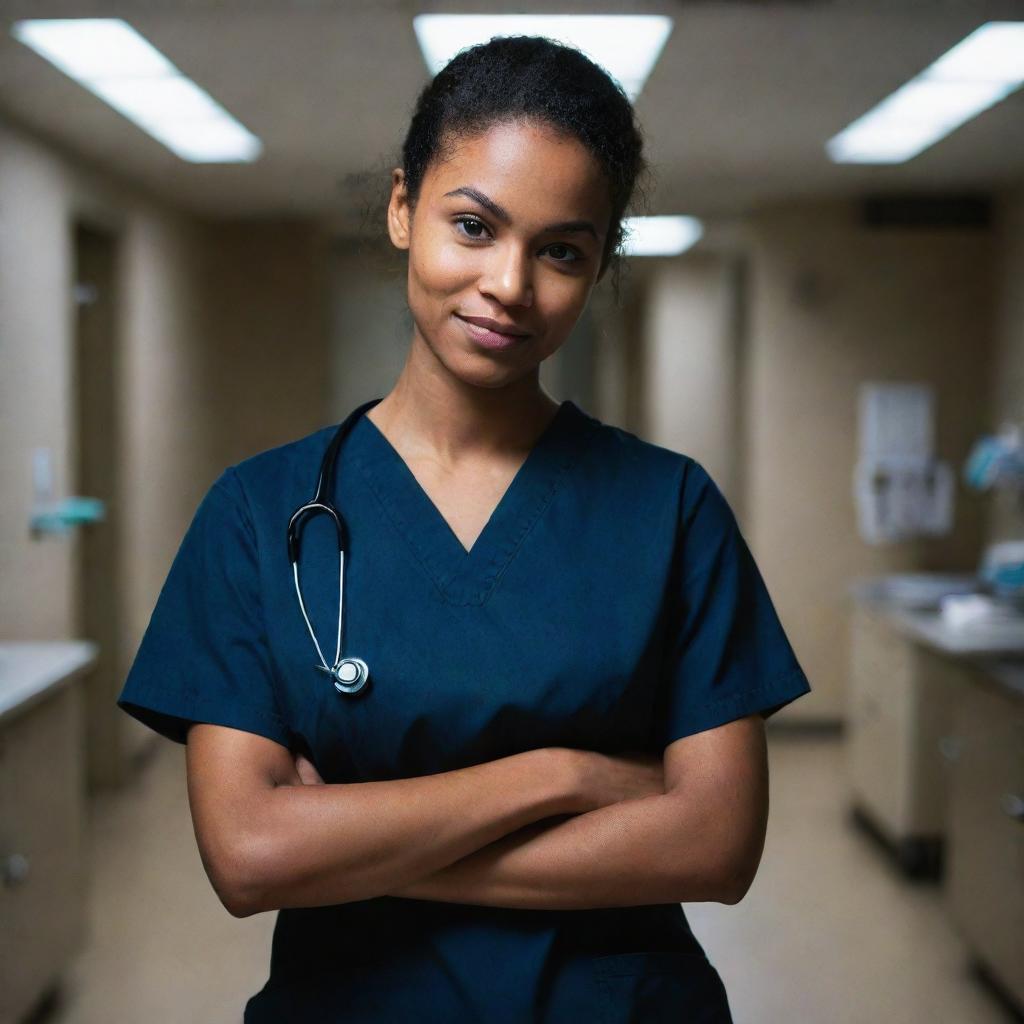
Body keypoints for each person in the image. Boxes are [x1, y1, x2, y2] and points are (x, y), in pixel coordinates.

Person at [117, 35, 812, 1023]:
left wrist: (346, 844)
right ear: (403, 208)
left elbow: (714, 845)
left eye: (561, 250)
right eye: (474, 226)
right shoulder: (258, 511)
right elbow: (248, 855)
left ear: (598, 264)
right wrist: (560, 774)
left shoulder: (669, 508)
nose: (509, 285)